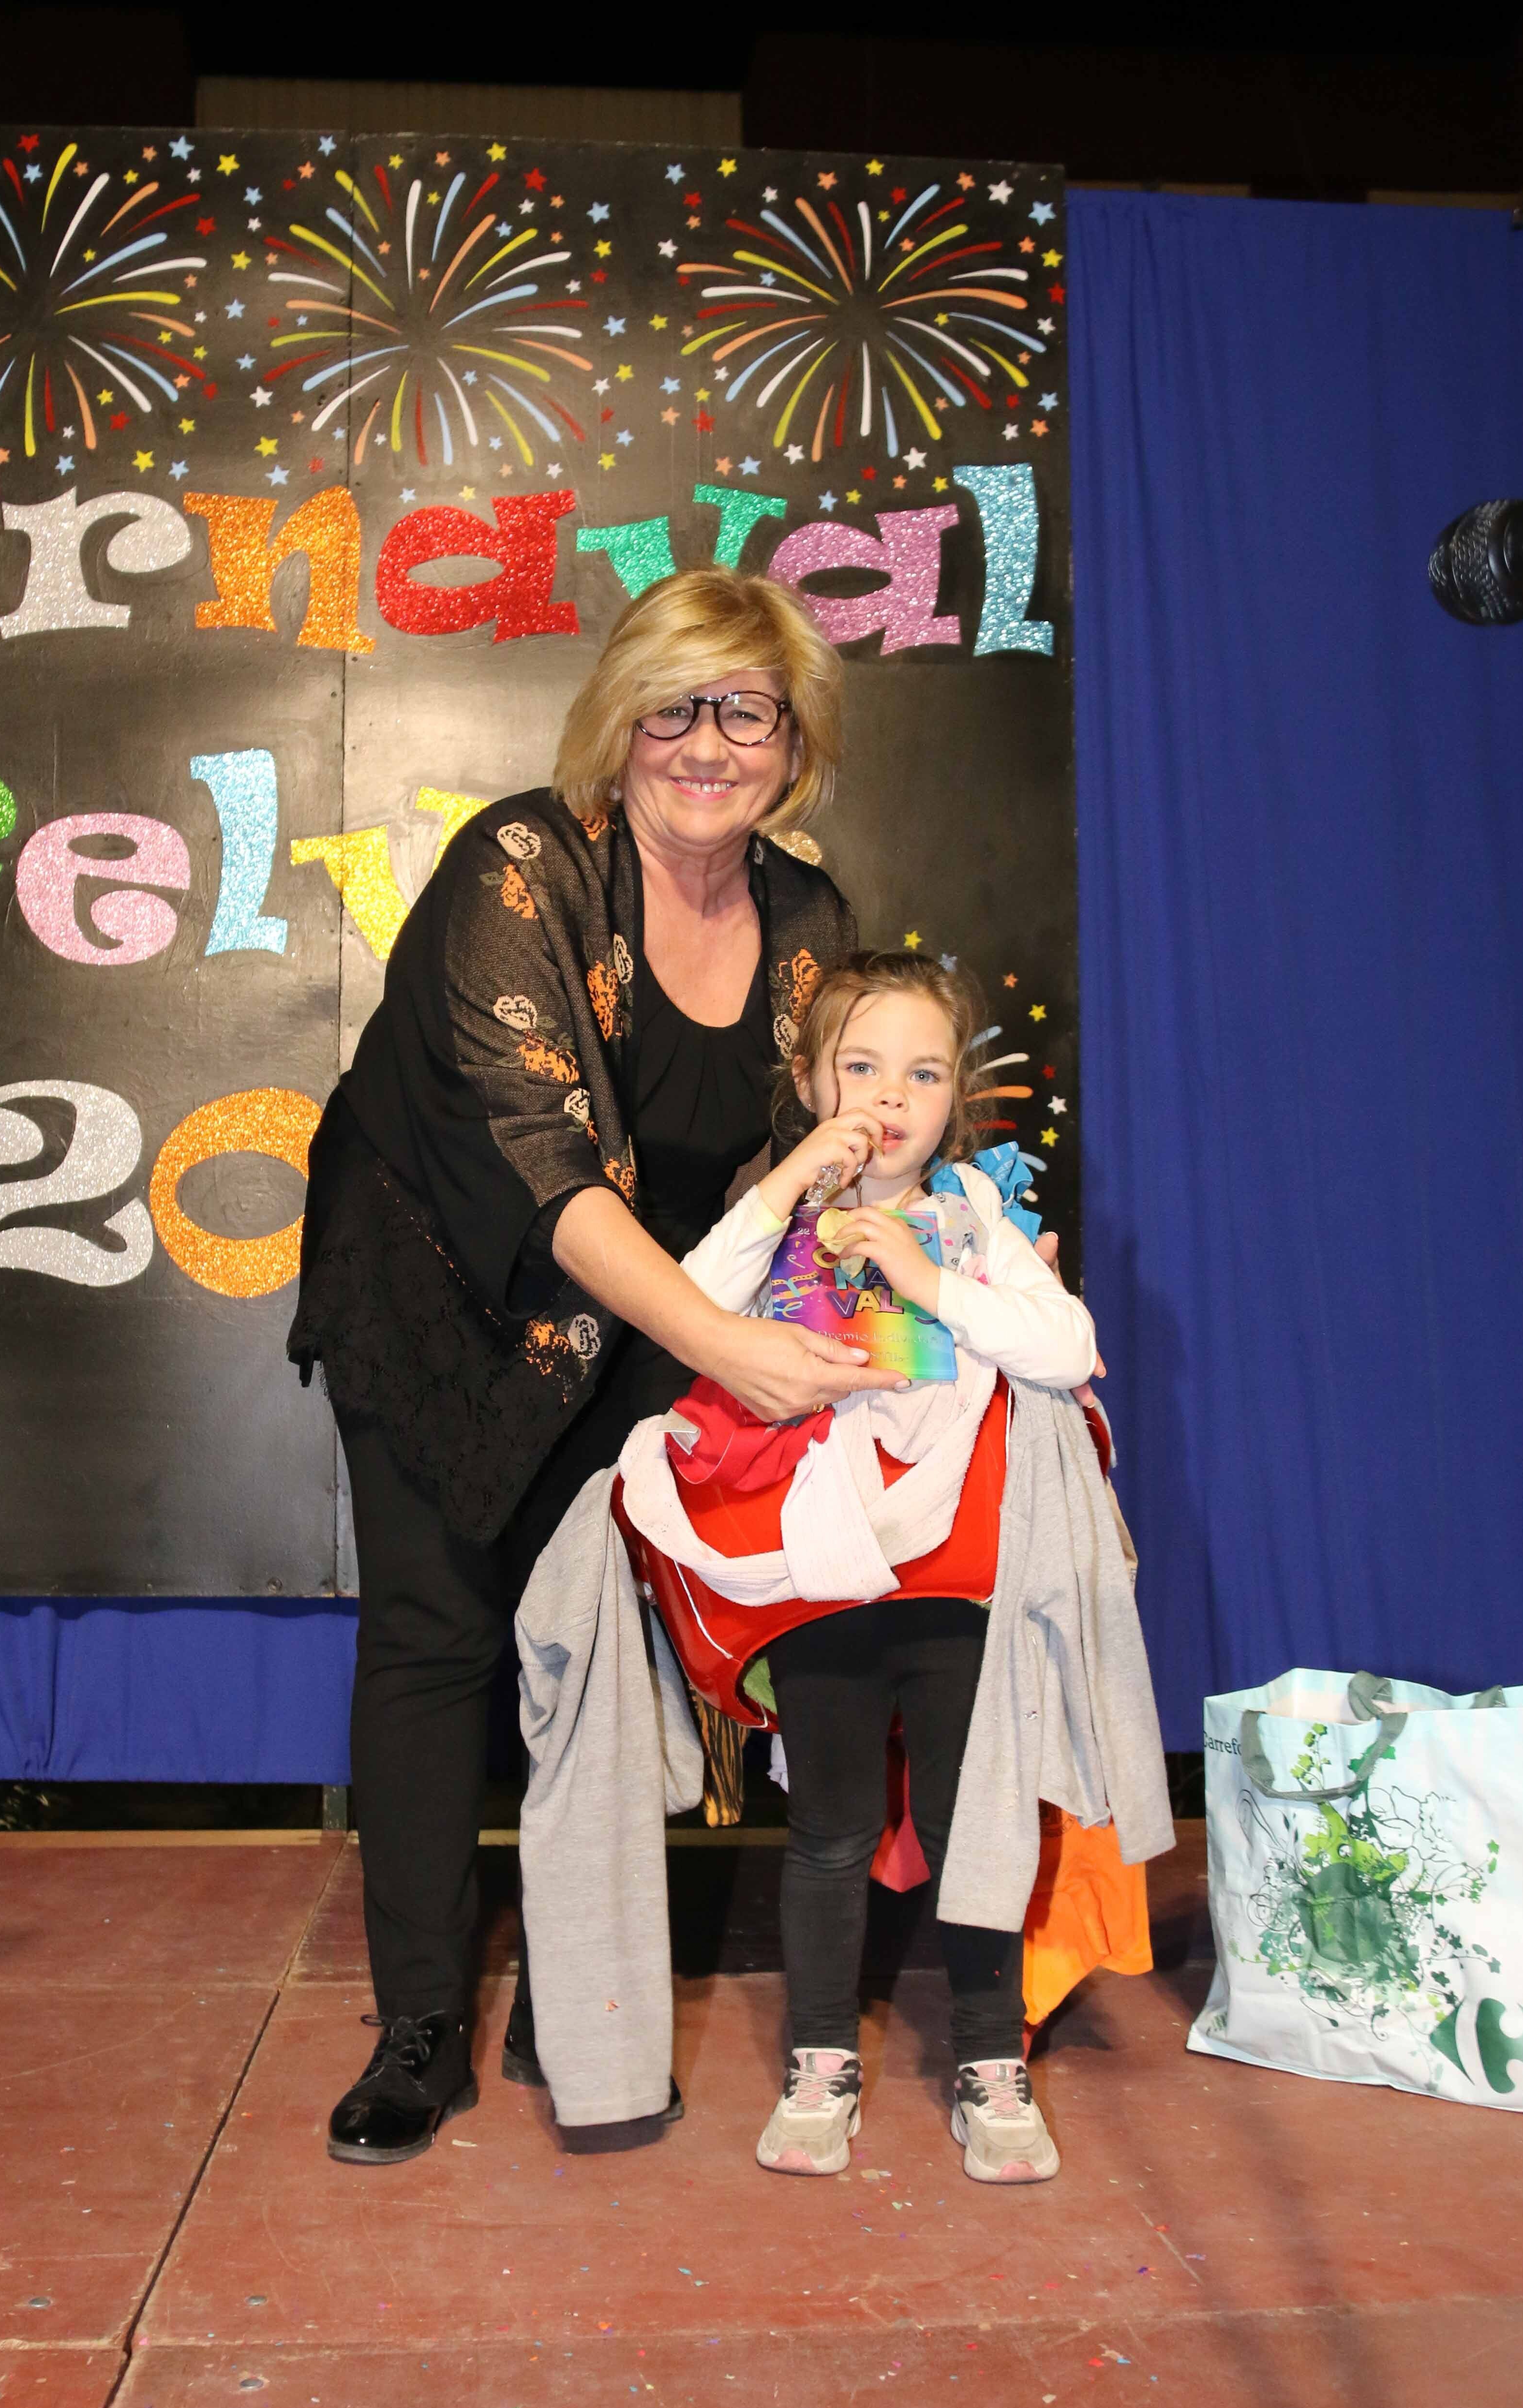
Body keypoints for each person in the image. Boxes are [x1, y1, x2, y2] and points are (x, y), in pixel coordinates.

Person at [288, 566, 895, 2166]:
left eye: (747, 712)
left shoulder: (811, 926)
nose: (708, 744)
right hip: (436, 1280)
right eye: (673, 706)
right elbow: (542, 1163)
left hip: (637, 1307)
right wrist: (726, 1350)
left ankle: (576, 1985)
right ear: (618, 722)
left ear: (794, 743)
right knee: (437, 1634)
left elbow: (803, 1169)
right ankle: (420, 2026)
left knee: (609, 1640)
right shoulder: (520, 867)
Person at [636, 951, 1106, 2182]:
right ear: (808, 1081)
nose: (892, 1096)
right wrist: (797, 1178)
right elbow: (686, 1305)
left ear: (958, 1096)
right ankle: (819, 2061)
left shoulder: (975, 1209)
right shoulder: (779, 1212)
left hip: (957, 1574)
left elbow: (1067, 1346)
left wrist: (925, 1275)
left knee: (969, 1822)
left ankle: (990, 2064)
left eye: (925, 1072)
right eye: (860, 1067)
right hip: (825, 1575)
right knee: (832, 1830)